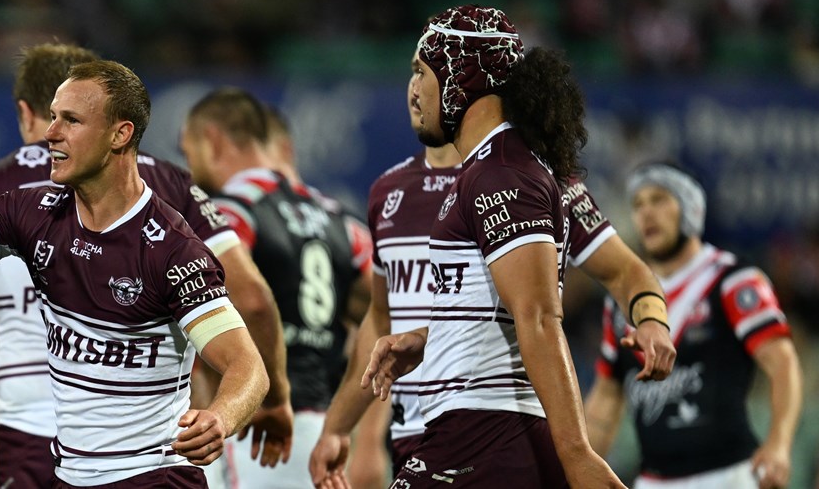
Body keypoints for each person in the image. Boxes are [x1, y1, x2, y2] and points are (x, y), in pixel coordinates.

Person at [0, 59, 269, 487]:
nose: (50, 133)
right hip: (70, 477)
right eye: (53, 117)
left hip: (152, 477)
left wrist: (219, 418)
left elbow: (248, 367)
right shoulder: (33, 212)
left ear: (120, 134)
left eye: (71, 121)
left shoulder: (172, 250)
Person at [308, 54, 676, 489]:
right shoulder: (388, 193)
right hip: (419, 432)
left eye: (423, 73)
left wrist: (652, 319)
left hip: (494, 424)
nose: (412, 88)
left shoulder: (533, 178)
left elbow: (622, 273)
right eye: (411, 72)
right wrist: (340, 426)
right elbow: (382, 322)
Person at [179, 87, 373, 489]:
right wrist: (365, 434)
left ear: (211, 140)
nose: (191, 166)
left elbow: (245, 301)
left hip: (255, 429)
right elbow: (387, 318)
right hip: (324, 431)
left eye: (189, 152)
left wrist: (266, 397)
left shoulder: (227, 214)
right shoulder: (342, 222)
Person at [584, 163, 800, 489]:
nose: (646, 213)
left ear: (690, 207)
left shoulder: (733, 281)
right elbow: (606, 398)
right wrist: (579, 468)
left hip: (731, 476)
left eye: (659, 199)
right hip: (652, 481)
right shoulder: (620, 302)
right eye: (638, 204)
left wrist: (779, 444)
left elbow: (783, 364)